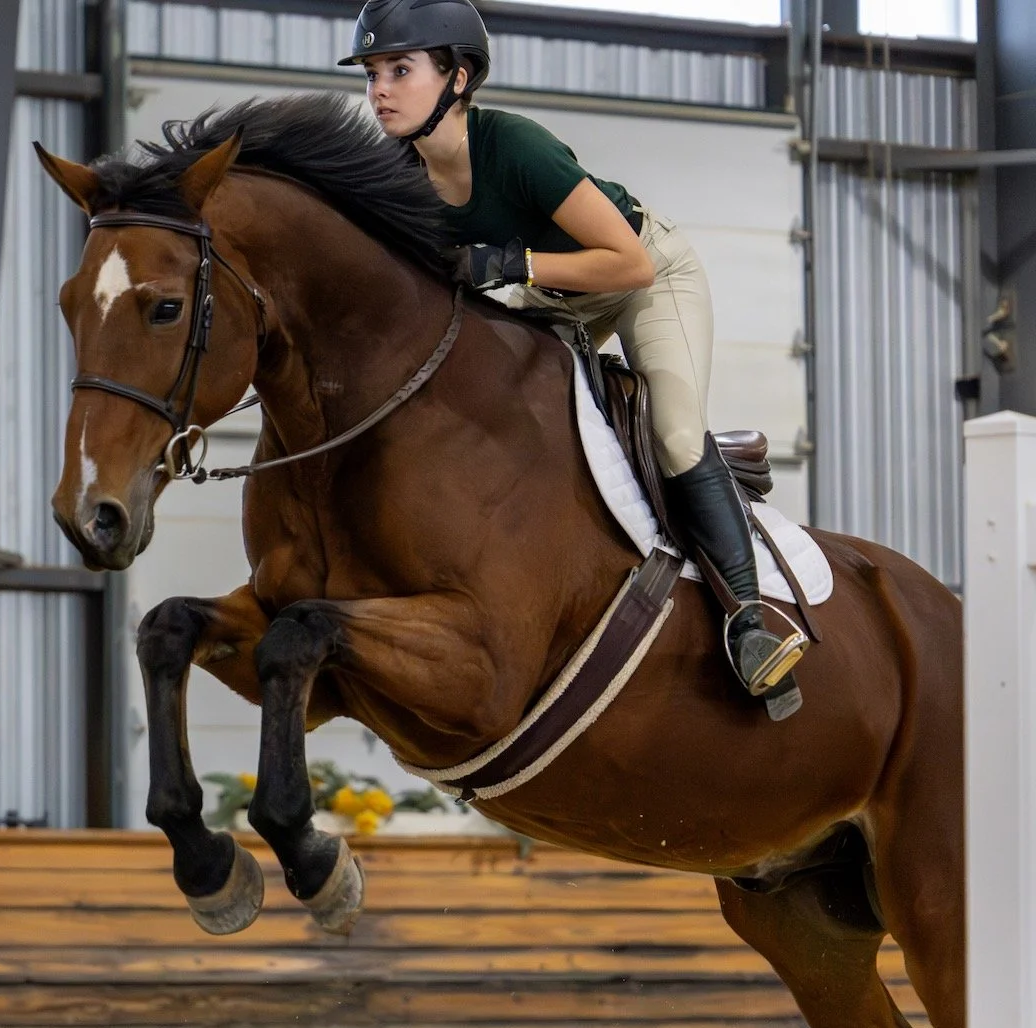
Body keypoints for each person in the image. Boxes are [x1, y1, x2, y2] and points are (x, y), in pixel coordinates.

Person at [338, 0, 808, 719]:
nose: (379, 90)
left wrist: (509, 259)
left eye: (400, 70)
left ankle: (748, 621)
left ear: (458, 78)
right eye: (373, 73)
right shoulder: (393, 175)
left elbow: (627, 264)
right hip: (549, 294)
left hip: (645, 273)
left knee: (676, 434)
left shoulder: (516, 147)